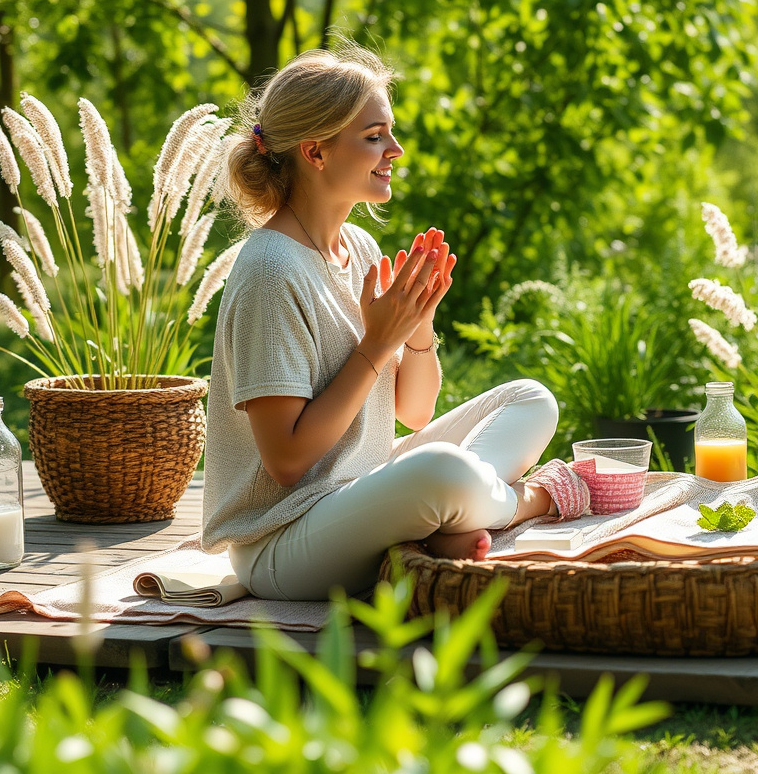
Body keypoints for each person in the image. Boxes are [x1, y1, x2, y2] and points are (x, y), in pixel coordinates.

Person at [201, 43, 590, 601]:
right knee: (441, 471)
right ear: (315, 152)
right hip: (283, 543)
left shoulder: (359, 247)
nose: (396, 149)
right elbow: (287, 461)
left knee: (531, 399)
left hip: (363, 491)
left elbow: (414, 411)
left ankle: (446, 519)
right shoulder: (269, 270)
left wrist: (417, 326)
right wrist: (378, 344)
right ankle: (529, 501)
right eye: (374, 135)